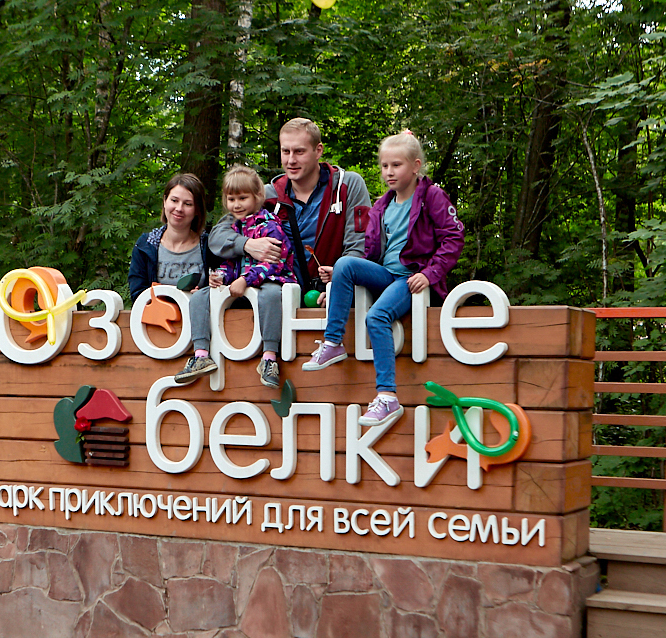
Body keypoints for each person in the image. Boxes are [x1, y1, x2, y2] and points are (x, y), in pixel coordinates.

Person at [301, 129, 464, 426]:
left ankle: (387, 397)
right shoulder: (382, 204)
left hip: (411, 278)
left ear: (415, 166)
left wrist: (429, 274)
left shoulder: (431, 196)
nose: (389, 172)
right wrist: (338, 281)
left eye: (396, 165)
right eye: (385, 166)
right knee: (344, 264)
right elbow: (371, 253)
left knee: (376, 317)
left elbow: (453, 238)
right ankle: (333, 343)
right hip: (386, 273)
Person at [209, 117, 371, 293]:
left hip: (337, 292)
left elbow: (361, 246)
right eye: (285, 151)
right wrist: (247, 244)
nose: (291, 160)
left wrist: (339, 283)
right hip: (284, 292)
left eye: (299, 152)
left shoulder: (346, 186)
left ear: (318, 150)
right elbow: (217, 236)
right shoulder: (268, 195)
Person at [183, 165, 300, 388]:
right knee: (199, 297)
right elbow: (231, 261)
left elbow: (274, 263)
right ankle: (200, 354)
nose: (236, 204)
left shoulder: (270, 225)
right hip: (239, 284)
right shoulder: (233, 228)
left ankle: (269, 357)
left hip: (269, 280)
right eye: (231, 199)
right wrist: (220, 276)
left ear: (257, 196)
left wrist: (246, 280)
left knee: (271, 295)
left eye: (242, 198)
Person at [127, 172, 223, 377]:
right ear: (164, 202)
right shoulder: (146, 245)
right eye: (174, 200)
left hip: (206, 340)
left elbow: (224, 286)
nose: (179, 208)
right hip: (159, 336)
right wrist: (174, 297)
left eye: (188, 204)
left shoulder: (210, 245)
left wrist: (207, 291)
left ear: (197, 210)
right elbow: (137, 294)